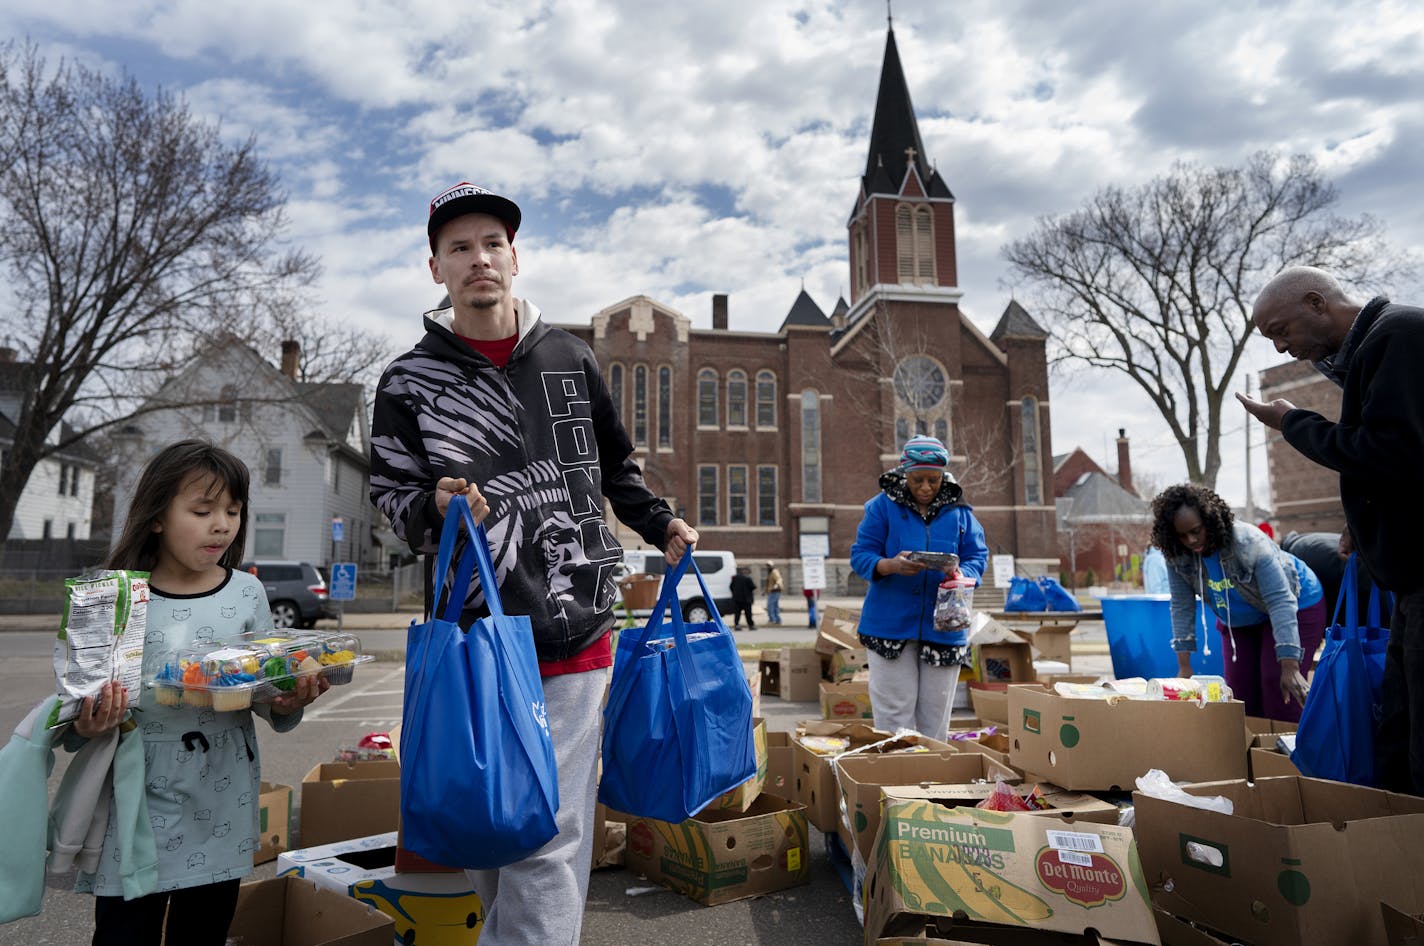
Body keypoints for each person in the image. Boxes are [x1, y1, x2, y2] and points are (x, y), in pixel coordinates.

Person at [369, 182, 698, 944]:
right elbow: (392, 496)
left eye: (492, 244)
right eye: (459, 248)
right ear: (435, 270)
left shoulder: (570, 359)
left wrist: (658, 522)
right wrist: (437, 509)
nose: (478, 259)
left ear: (515, 258)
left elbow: (618, 469)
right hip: (477, 641)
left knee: (548, 839)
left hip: (576, 631)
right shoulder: (407, 383)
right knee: (491, 833)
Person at [72, 440, 326, 946]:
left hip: (222, 792)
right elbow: (75, 707)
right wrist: (87, 721)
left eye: (233, 511)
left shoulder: (247, 592)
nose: (222, 525)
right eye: (202, 510)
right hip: (136, 796)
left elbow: (262, 689)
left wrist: (288, 698)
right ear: (157, 516)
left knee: (203, 931)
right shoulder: (115, 596)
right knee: (125, 932)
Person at [1240, 266, 1424, 790]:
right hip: (1408, 582)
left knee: (1416, 742)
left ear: (1317, 303)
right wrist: (1363, 521)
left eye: (1281, 331)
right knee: (1396, 727)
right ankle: (1387, 847)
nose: (1280, 348)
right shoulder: (1375, 349)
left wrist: (1292, 423)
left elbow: (1394, 453)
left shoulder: (1399, 337)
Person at [849, 435, 988, 740]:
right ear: (904, 474)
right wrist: (889, 565)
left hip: (945, 628)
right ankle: (896, 777)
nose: (925, 487)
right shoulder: (881, 508)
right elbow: (861, 555)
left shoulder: (960, 511)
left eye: (933, 480)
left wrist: (963, 573)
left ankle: (929, 782)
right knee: (894, 718)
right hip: (889, 628)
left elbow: (978, 555)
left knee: (935, 720)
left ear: (944, 477)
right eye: (917, 479)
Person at [1149, 483, 1325, 722]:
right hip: (1240, 618)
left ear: (1210, 520)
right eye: (1181, 535)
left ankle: (1284, 756)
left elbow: (1280, 600)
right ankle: (1253, 755)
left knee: (1278, 686)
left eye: (1196, 530)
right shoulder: (1177, 555)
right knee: (1240, 696)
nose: (1190, 540)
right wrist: (1184, 666)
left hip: (1295, 602)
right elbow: (1182, 605)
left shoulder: (1248, 543)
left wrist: (1290, 664)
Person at [729, 566, 756, 630]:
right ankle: (751, 625)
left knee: (737, 614)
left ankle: (737, 625)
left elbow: (731, 587)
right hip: (746, 599)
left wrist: (735, 593)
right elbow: (753, 587)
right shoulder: (748, 578)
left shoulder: (735, 578)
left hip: (737, 599)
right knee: (748, 614)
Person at [764, 560, 783, 625]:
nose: (767, 567)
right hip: (772, 591)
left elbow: (779, 579)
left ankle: (772, 619)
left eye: (769, 565)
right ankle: (777, 619)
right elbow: (769, 583)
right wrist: (765, 591)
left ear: (772, 565)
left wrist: (776, 585)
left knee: (770, 605)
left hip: (774, 591)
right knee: (775, 606)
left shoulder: (774, 572)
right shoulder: (770, 572)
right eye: (767, 566)